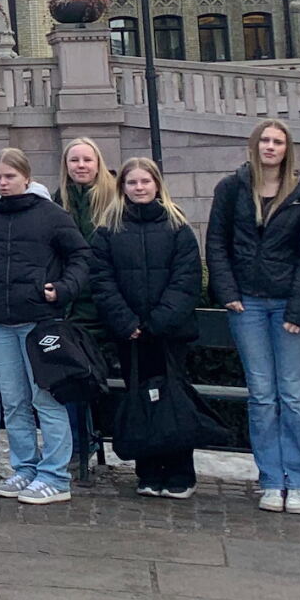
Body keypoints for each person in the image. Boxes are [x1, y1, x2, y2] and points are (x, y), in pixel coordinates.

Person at [207, 118, 300, 514]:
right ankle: (272, 480)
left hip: (289, 304)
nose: (270, 147)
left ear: (287, 149)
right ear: (254, 145)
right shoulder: (231, 188)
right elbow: (217, 243)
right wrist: (228, 293)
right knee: (261, 394)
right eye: (265, 140)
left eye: (278, 141)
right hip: (248, 304)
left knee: (292, 394)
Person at [0, 148, 92, 505]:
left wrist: (64, 288)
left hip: (40, 321)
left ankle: (55, 476)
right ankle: (24, 467)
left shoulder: (52, 215)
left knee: (47, 398)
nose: (3, 183)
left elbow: (81, 256)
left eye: (10, 176)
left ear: (26, 177)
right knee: (13, 401)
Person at [90, 158, 205, 498]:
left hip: (169, 334)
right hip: (130, 334)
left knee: (173, 400)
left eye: (145, 181)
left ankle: (180, 471)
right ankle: (149, 471)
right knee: (140, 399)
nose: (139, 188)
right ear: (122, 187)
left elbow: (186, 280)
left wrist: (157, 323)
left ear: (156, 184)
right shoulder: (108, 230)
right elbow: (102, 281)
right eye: (132, 182)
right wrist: (127, 322)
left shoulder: (178, 226)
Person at [53, 137, 116, 483]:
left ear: (98, 163)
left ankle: (91, 444)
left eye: (87, 160)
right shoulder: (58, 201)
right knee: (70, 378)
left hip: (105, 307)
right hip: (70, 306)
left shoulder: (114, 199)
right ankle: (79, 447)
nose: (81, 166)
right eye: (74, 160)